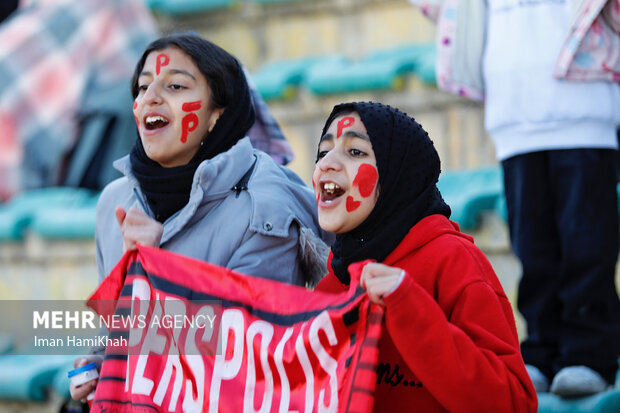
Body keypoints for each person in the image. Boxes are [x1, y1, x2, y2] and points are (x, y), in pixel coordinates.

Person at [69, 33, 332, 404]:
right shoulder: (115, 201)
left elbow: (245, 360)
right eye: (143, 87)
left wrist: (160, 269)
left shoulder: (265, 207)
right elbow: (117, 330)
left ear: (216, 115)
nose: (151, 98)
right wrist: (97, 365)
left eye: (175, 85)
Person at [409, 0, 620, 396]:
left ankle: (590, 351)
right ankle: (541, 348)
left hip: (587, 102)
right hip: (513, 108)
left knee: (587, 244)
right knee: (532, 247)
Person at [312, 101, 538, 412]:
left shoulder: (453, 260)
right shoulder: (330, 288)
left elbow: (513, 404)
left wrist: (409, 306)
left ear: (397, 174)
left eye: (356, 152)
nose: (327, 163)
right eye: (323, 152)